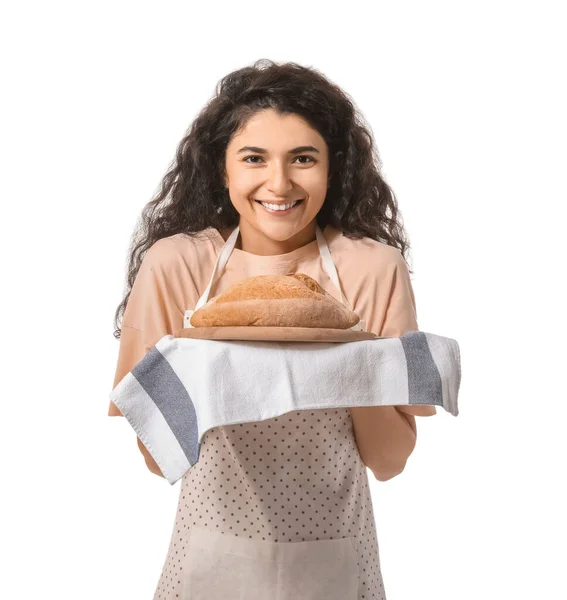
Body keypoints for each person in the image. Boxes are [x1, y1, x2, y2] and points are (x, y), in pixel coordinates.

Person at [108, 59, 436, 600]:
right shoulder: (176, 266)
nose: (278, 183)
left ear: (333, 168)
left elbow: (390, 461)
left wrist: (350, 359)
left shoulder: (373, 269)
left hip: (334, 561)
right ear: (223, 169)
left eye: (303, 159)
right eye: (254, 158)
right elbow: (156, 457)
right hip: (210, 559)